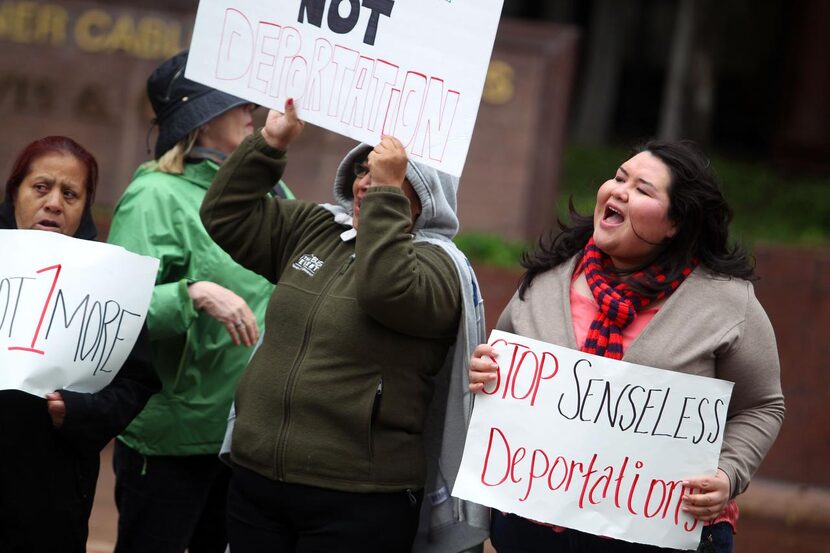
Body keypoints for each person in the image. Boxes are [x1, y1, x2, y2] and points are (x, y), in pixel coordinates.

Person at [199, 99, 489, 553]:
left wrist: (384, 198)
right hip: (257, 480)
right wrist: (269, 144)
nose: (366, 185)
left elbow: (385, 289)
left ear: (426, 194)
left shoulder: (440, 269)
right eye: (362, 171)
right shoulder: (316, 228)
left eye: (387, 177)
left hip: (359, 499)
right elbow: (225, 216)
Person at [468, 140, 785, 553]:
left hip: (666, 533)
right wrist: (485, 372)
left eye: (642, 189)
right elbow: (502, 372)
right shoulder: (547, 280)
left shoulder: (726, 303)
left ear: (677, 222)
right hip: (534, 527)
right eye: (619, 178)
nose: (619, 191)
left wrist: (727, 474)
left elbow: (762, 405)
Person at [106, 50, 291, 553]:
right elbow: (114, 311)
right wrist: (194, 294)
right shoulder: (154, 196)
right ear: (203, 121)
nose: (250, 112)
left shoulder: (270, 194)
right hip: (170, 442)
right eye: (236, 105)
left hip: (244, 440)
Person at [0, 136, 160, 553]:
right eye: (41, 187)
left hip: (49, 496)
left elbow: (135, 384)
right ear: (14, 192)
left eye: (70, 193)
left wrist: (79, 412)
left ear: (85, 205)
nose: (54, 202)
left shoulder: (111, 285)